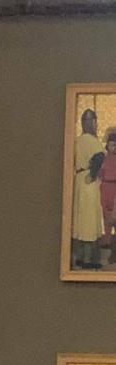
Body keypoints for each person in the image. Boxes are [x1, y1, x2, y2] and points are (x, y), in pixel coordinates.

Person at [72, 108, 104, 270]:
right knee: (88, 220)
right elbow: (99, 156)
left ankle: (82, 257)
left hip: (80, 180)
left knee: (84, 219)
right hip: (87, 182)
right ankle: (85, 259)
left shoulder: (80, 140)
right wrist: (92, 174)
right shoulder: (88, 140)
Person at [99, 130, 116, 261]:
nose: (113, 147)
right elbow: (100, 173)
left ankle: (113, 250)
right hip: (105, 187)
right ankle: (107, 241)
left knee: (114, 217)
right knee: (106, 216)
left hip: (115, 187)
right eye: (111, 145)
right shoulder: (104, 158)